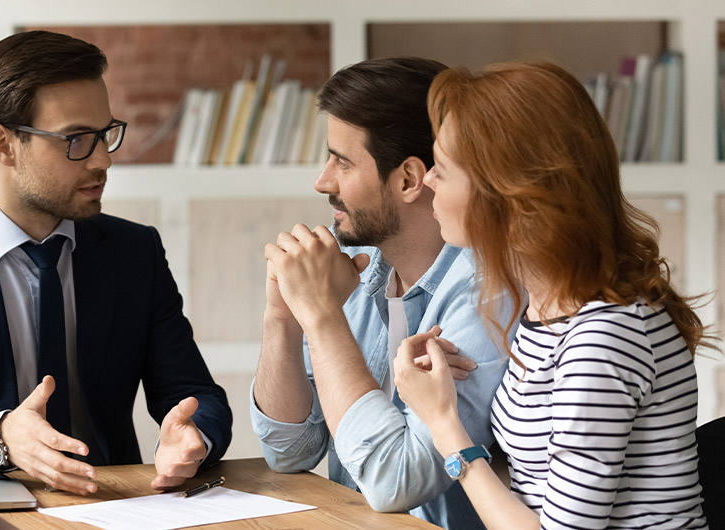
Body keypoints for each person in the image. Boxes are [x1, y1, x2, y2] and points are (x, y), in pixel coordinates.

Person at [0, 30, 232, 495]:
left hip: (116, 505)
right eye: (75, 139)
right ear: (3, 145)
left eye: (104, 134)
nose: (102, 161)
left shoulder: (135, 253)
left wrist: (194, 437)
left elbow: (197, 394)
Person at [395, 61, 712, 529]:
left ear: (508, 194)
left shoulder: (605, 334)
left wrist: (443, 424)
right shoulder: (546, 307)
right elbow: (538, 485)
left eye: (442, 168)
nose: (428, 182)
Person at [250, 57, 511, 529]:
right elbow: (288, 451)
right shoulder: (358, 274)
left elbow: (398, 482)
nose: (322, 181)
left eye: (341, 161)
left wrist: (321, 316)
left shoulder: (486, 291)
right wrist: (283, 319)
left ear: (410, 179)